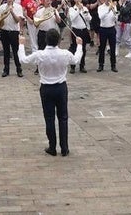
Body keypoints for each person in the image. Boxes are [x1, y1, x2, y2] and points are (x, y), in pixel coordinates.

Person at [18, 29, 83, 157]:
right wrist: (79, 45)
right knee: (63, 118)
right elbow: (76, 60)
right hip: (61, 87)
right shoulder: (65, 53)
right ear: (59, 40)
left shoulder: (40, 54)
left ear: (46, 40)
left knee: (49, 118)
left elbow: (23, 60)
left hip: (46, 88)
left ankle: (52, 147)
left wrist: (21, 44)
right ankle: (64, 147)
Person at [0, 0, 24, 77]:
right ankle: (6, 70)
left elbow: (17, 20)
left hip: (14, 31)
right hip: (4, 31)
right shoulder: (2, 7)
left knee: (15, 52)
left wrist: (11, 12)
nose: (10, 0)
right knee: (6, 51)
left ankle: (19, 69)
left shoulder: (18, 7)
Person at [67, 0, 91, 74]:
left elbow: (89, 18)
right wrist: (78, 10)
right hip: (76, 30)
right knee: (74, 48)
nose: (78, 0)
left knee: (83, 48)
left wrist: (86, 13)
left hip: (83, 30)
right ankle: (73, 66)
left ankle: (82, 65)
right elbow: (72, 18)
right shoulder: (71, 9)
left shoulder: (84, 8)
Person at [97, 0, 118, 72]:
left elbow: (116, 18)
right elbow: (101, 17)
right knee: (102, 48)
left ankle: (113, 65)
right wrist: (108, 10)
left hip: (111, 28)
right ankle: (101, 65)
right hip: (103, 29)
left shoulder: (114, 6)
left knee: (113, 48)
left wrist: (114, 12)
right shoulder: (100, 7)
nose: (108, 0)